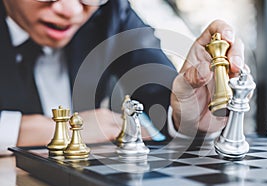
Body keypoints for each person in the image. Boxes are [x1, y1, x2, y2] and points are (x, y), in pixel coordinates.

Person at [0, 0, 246, 154]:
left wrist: (187, 113)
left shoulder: (111, 11)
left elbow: (158, 89)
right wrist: (31, 130)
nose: (72, 10)